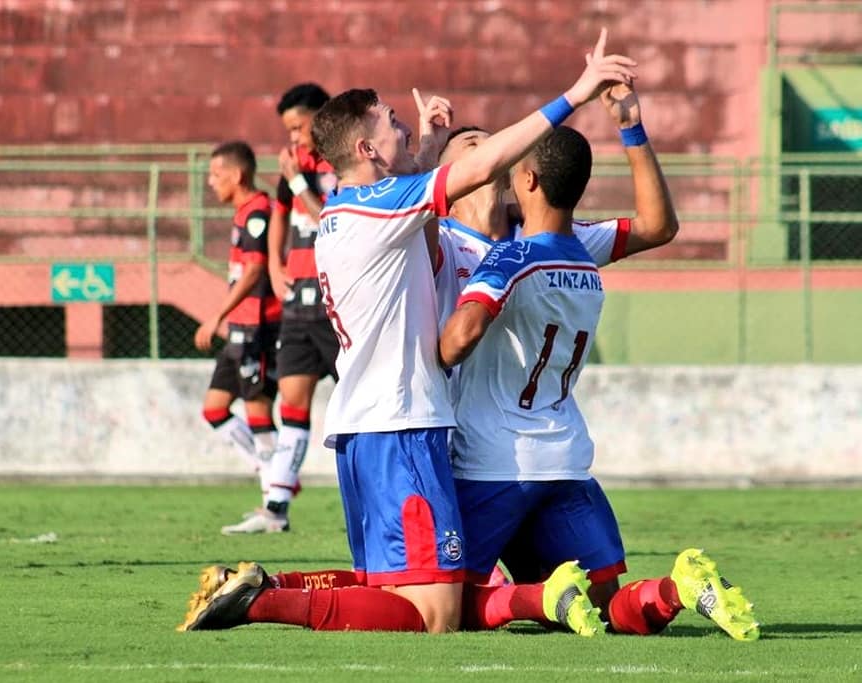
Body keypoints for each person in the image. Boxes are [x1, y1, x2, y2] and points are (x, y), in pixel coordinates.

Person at [177, 28, 640, 635]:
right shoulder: (380, 206)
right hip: (402, 426)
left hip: (366, 425)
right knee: (436, 613)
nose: (403, 126)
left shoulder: (348, 210)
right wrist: (575, 93)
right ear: (368, 148)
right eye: (392, 121)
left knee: (398, 588)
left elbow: (419, 200)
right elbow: (482, 167)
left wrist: (431, 144)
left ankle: (262, 588)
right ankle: (261, 602)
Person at [438, 84, 759, 641]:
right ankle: (677, 589)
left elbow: (657, 226)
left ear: (525, 178)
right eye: (469, 146)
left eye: (496, 147)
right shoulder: (442, 236)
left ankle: (538, 599)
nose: (491, 154)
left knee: (438, 608)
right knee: (610, 608)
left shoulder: (518, 251)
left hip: (492, 462)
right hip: (562, 454)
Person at [221, 83, 339, 534]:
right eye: (288, 129)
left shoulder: (343, 163)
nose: (293, 137)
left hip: (335, 303)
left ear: (322, 118)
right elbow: (282, 214)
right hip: (298, 305)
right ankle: (276, 508)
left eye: (299, 126)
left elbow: (330, 216)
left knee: (362, 402)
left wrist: (294, 180)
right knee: (292, 400)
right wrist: (273, 262)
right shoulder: (295, 165)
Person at [194, 141, 282, 510]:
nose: (210, 182)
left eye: (216, 174)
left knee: (258, 412)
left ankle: (275, 501)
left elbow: (256, 270)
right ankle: (273, 472)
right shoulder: (243, 212)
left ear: (237, 174)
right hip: (239, 330)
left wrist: (217, 314)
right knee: (214, 408)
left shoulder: (259, 211)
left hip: (259, 327)